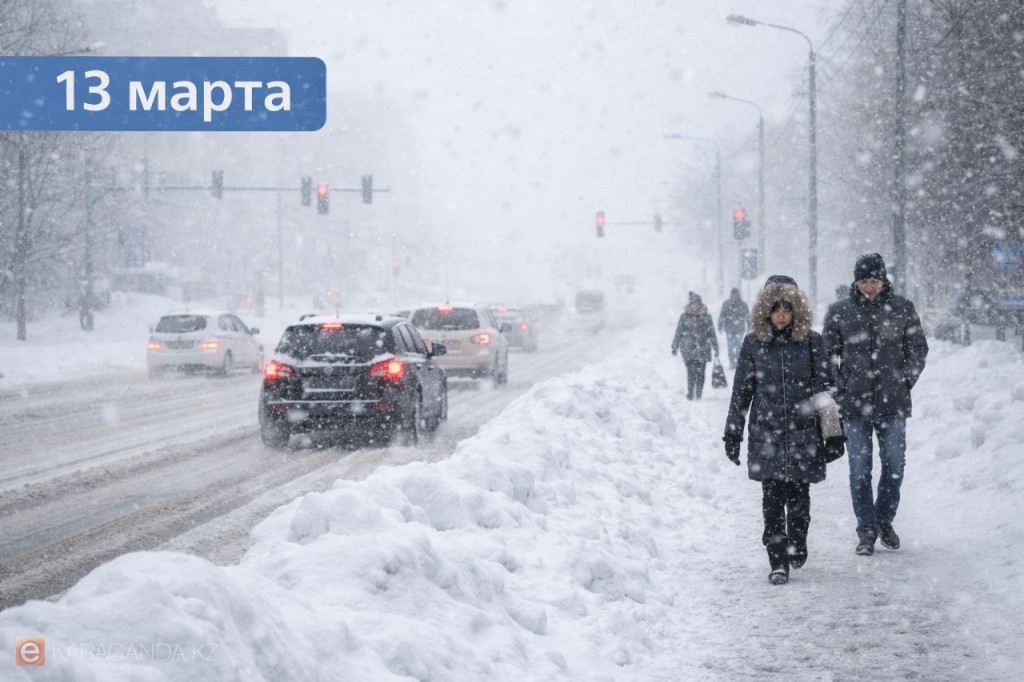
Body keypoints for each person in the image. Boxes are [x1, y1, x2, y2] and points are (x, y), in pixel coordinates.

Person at [723, 275, 839, 585]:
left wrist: (832, 432)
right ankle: (777, 560)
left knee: (799, 500)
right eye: (776, 309)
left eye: (787, 309)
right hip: (767, 433)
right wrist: (733, 432)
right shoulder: (753, 343)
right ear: (766, 310)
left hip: (804, 433)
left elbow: (824, 389)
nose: (782, 316)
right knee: (772, 501)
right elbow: (742, 392)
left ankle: (797, 540)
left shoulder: (812, 342)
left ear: (796, 310)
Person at [823, 253, 929, 557]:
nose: (869, 287)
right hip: (854, 404)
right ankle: (866, 530)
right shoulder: (840, 312)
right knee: (860, 470)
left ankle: (884, 520)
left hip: (892, 402)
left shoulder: (902, 308)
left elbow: (918, 349)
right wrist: (840, 389)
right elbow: (828, 356)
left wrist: (904, 380)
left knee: (895, 465)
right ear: (856, 282)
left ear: (883, 280)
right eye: (863, 281)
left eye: (874, 281)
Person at [671, 291, 719, 400]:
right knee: (691, 372)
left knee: (701, 373)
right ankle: (690, 392)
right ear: (690, 304)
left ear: (700, 304)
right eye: (693, 303)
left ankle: (699, 393)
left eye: (697, 303)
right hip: (688, 349)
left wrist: (716, 347)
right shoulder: (684, 317)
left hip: (703, 348)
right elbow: (679, 332)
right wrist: (675, 346)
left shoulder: (706, 317)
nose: (695, 306)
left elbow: (711, 333)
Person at [718, 287, 750, 368]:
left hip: (740, 329)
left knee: (738, 346)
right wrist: (720, 326)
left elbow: (748, 317)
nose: (735, 296)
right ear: (731, 295)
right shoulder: (726, 304)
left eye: (736, 294)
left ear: (738, 295)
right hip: (729, 329)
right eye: (733, 294)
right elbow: (722, 315)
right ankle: (732, 362)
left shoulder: (743, 304)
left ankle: (738, 362)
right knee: (731, 346)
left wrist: (749, 326)